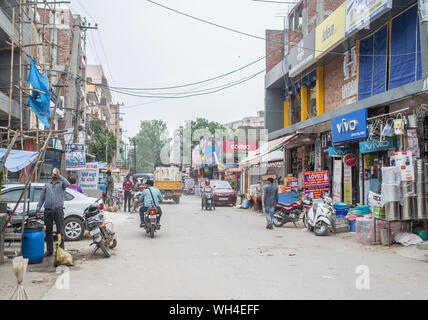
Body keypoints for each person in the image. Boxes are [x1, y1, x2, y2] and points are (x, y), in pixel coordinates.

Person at [36, 168, 70, 256]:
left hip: (58, 210)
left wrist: (60, 176)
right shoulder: (47, 185)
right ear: (51, 175)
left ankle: (61, 250)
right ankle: (49, 250)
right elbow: (41, 198)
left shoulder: (61, 184)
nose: (54, 175)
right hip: (47, 211)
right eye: (53, 173)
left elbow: (68, 184)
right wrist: (38, 209)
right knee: (48, 231)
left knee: (60, 231)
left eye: (56, 173)